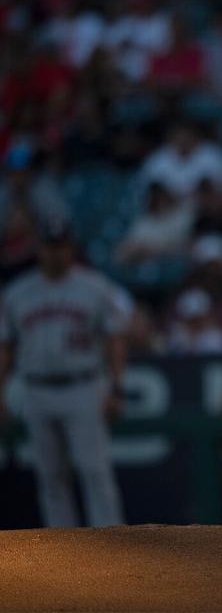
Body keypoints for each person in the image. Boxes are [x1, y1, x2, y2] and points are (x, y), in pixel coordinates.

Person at [0, 221, 132, 527]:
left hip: (82, 385)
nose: (55, 253)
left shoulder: (95, 286)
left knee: (94, 470)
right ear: (40, 249)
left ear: (71, 249)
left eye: (61, 246)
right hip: (36, 388)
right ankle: (62, 550)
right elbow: (5, 346)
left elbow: (115, 339)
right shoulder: (17, 292)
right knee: (50, 475)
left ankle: (111, 541)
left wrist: (116, 388)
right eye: (50, 246)